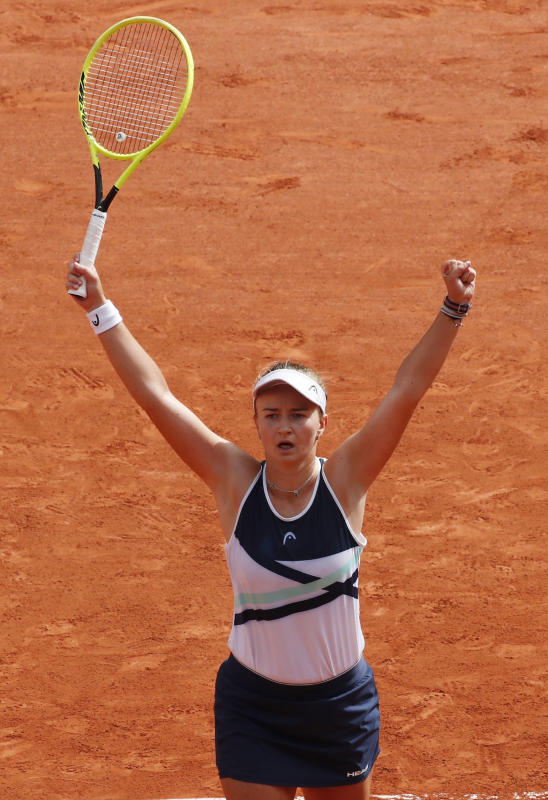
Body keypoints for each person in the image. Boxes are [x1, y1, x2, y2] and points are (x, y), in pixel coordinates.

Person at [65, 254, 476, 800]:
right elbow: (156, 397)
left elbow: (407, 389)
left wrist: (453, 308)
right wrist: (99, 307)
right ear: (256, 422)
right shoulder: (232, 480)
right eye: (272, 413)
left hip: (338, 708)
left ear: (321, 423)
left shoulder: (347, 482)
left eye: (299, 414)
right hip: (254, 707)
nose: (285, 425)